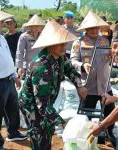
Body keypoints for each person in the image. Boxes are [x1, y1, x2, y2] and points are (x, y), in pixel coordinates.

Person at [19, 20, 87, 150]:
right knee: (39, 134)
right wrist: (63, 124)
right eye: (59, 44)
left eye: (64, 43)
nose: (63, 46)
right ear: (50, 45)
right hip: (32, 105)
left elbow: (70, 70)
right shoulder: (40, 68)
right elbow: (42, 106)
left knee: (48, 128)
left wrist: (79, 85)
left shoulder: (60, 56)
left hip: (45, 101)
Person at [70, 11, 116, 145]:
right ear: (85, 29)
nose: (94, 30)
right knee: (86, 114)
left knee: (109, 112)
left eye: (96, 28)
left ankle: (109, 132)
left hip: (104, 84)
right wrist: (83, 65)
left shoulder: (105, 41)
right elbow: (73, 60)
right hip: (87, 85)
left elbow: (111, 58)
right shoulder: (78, 43)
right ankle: (87, 136)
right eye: (91, 28)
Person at [0, 10, 27, 150]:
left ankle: (13, 132)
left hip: (9, 80)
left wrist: (15, 76)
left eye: (1, 22)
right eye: (0, 22)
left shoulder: (1, 38)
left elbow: (9, 58)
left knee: (13, 108)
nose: (1, 24)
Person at [16, 14, 45, 79]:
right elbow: (20, 52)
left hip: (42, 65)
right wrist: (20, 67)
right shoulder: (24, 36)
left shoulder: (43, 36)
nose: (36, 28)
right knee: (29, 86)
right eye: (34, 26)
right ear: (31, 26)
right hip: (29, 65)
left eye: (38, 26)